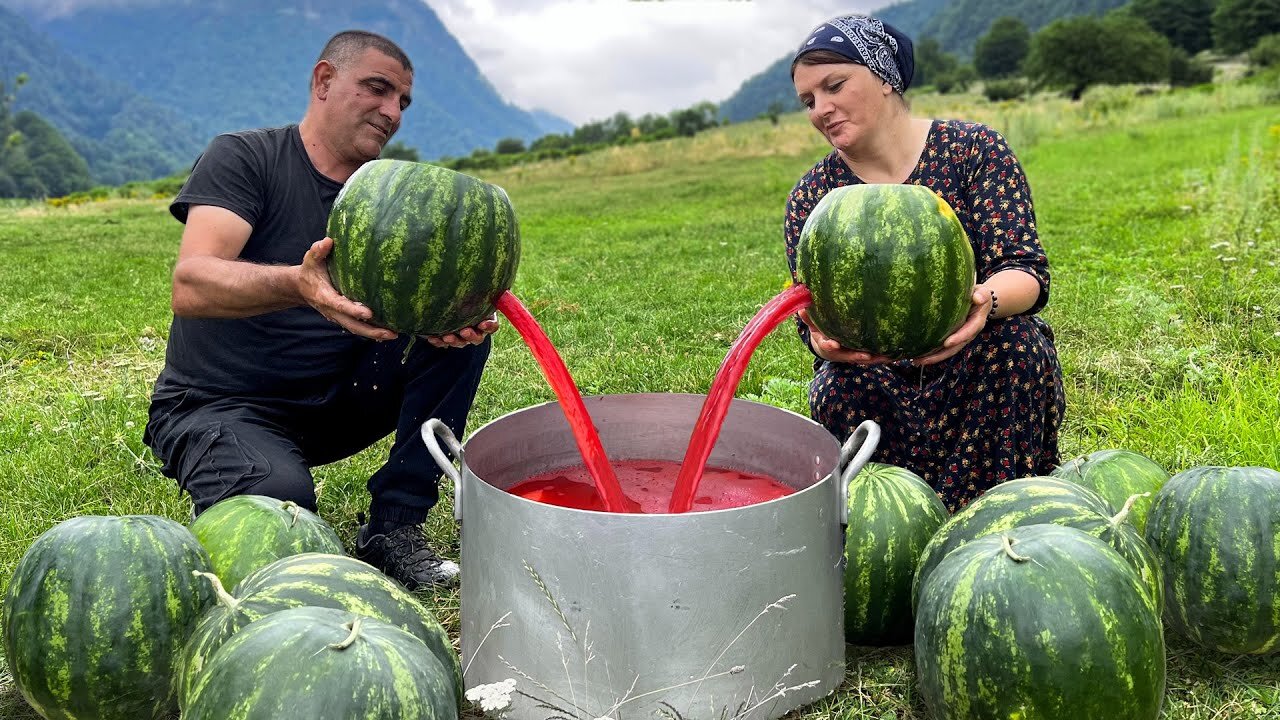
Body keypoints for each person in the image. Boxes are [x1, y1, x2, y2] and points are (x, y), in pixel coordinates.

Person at [143, 30, 498, 589]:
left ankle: (395, 525)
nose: (391, 112)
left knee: (459, 330)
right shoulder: (245, 157)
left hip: (339, 400)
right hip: (221, 405)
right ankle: (247, 476)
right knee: (281, 504)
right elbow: (193, 283)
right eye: (377, 89)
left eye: (402, 101)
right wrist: (299, 284)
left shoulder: (391, 196)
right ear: (324, 80)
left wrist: (448, 319)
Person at [784, 14, 1065, 512]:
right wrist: (823, 341)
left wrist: (981, 306)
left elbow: (1026, 272)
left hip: (974, 351)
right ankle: (890, 524)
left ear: (886, 76)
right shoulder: (813, 194)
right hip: (876, 370)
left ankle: (996, 518)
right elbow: (810, 309)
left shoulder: (973, 152)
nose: (821, 109)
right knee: (834, 388)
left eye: (835, 85)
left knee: (1017, 348)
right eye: (809, 100)